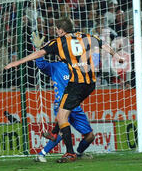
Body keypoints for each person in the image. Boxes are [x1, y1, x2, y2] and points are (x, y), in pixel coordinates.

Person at [4, 18, 121, 163]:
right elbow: (104, 44)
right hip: (90, 84)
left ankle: (70, 152)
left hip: (76, 85)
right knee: (62, 116)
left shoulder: (58, 42)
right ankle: (55, 143)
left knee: (63, 118)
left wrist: (17, 62)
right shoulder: (86, 37)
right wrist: (117, 56)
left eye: (57, 29)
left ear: (60, 30)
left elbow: (40, 54)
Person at [29, 31, 95, 163]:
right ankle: (42, 154)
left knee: (90, 136)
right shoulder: (55, 67)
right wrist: (38, 49)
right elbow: (41, 65)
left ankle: (78, 152)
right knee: (61, 130)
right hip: (61, 104)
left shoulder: (78, 66)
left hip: (75, 106)